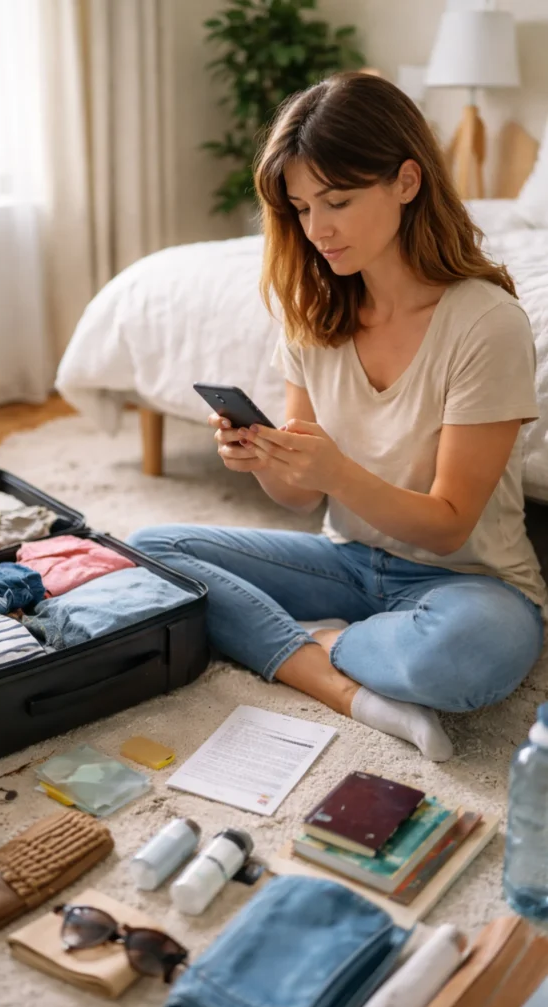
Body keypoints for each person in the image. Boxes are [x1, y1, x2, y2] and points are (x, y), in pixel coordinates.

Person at [127, 72, 545, 761]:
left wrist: (337, 472)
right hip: (348, 563)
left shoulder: (485, 323)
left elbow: (448, 527)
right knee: (151, 551)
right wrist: (265, 459)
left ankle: (319, 639)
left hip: (470, 582)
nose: (317, 229)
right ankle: (342, 683)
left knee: (460, 658)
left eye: (338, 201)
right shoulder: (315, 315)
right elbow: (300, 498)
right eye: (300, 208)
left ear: (406, 181)